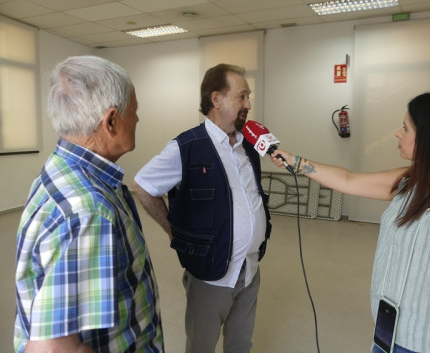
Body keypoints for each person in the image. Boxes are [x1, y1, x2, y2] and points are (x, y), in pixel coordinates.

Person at [271, 91, 430, 353]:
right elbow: (349, 181)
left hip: (421, 346)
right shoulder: (413, 181)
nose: (397, 134)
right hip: (387, 336)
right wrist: (297, 163)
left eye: (405, 127)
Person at [14, 55, 164, 353]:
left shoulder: (60, 170)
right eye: (134, 111)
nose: (137, 119)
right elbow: (52, 349)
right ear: (111, 121)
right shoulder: (89, 210)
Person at [132, 63, 272, 353]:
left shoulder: (248, 145)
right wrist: (173, 232)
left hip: (249, 269)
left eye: (249, 97)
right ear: (216, 99)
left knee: (241, 343)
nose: (248, 104)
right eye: (241, 96)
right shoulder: (186, 147)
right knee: (201, 346)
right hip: (211, 274)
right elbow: (143, 186)